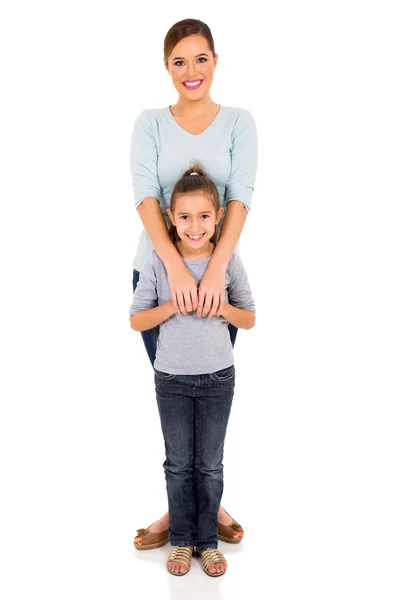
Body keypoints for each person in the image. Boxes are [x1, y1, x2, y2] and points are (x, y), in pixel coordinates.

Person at [130, 17, 258, 549]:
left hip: (216, 279)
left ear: (215, 61)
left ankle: (205, 505)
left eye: (200, 58)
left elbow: (241, 196)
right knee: (176, 394)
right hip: (158, 273)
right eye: (179, 61)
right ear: (167, 67)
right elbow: (143, 195)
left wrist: (214, 273)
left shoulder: (239, 122)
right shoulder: (150, 122)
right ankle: (188, 509)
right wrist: (177, 267)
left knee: (209, 391)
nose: (190, 71)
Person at [129, 165, 256, 576]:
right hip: (171, 379)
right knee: (178, 464)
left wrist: (223, 307)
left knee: (210, 464)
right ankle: (182, 541)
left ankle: (208, 543)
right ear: (169, 217)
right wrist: (170, 306)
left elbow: (249, 317)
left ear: (218, 218)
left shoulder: (228, 262)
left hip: (219, 377)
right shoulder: (156, 264)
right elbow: (137, 320)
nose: (194, 226)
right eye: (184, 217)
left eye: (204, 216)